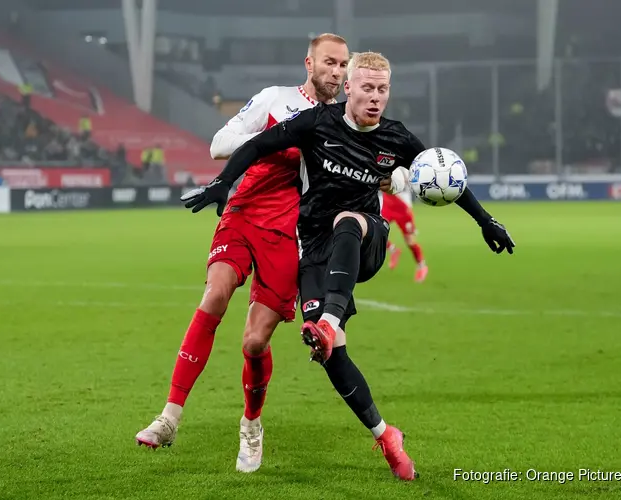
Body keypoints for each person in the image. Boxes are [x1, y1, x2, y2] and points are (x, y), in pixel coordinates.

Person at [182, 51, 515, 481]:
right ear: (350, 88)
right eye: (368, 89)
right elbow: (259, 144)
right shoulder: (318, 122)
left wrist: (485, 220)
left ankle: (329, 320)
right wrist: (222, 184)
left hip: (366, 238)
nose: (376, 98)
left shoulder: (396, 139)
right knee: (329, 352)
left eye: (383, 90)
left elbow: (446, 179)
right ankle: (385, 434)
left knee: (349, 221)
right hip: (316, 249)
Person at [135, 33, 350, 474]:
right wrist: (272, 138)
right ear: (308, 64)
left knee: (254, 342)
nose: (337, 71)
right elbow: (220, 143)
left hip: (289, 235)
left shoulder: (342, 125)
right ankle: (169, 417)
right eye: (330, 62)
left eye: (343, 65)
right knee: (214, 295)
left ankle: (251, 424)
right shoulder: (275, 100)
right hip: (244, 211)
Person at [380, 190, 428, 282]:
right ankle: (393, 249)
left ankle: (422, 266)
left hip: (403, 207)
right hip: (388, 203)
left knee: (410, 242)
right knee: (377, 231)